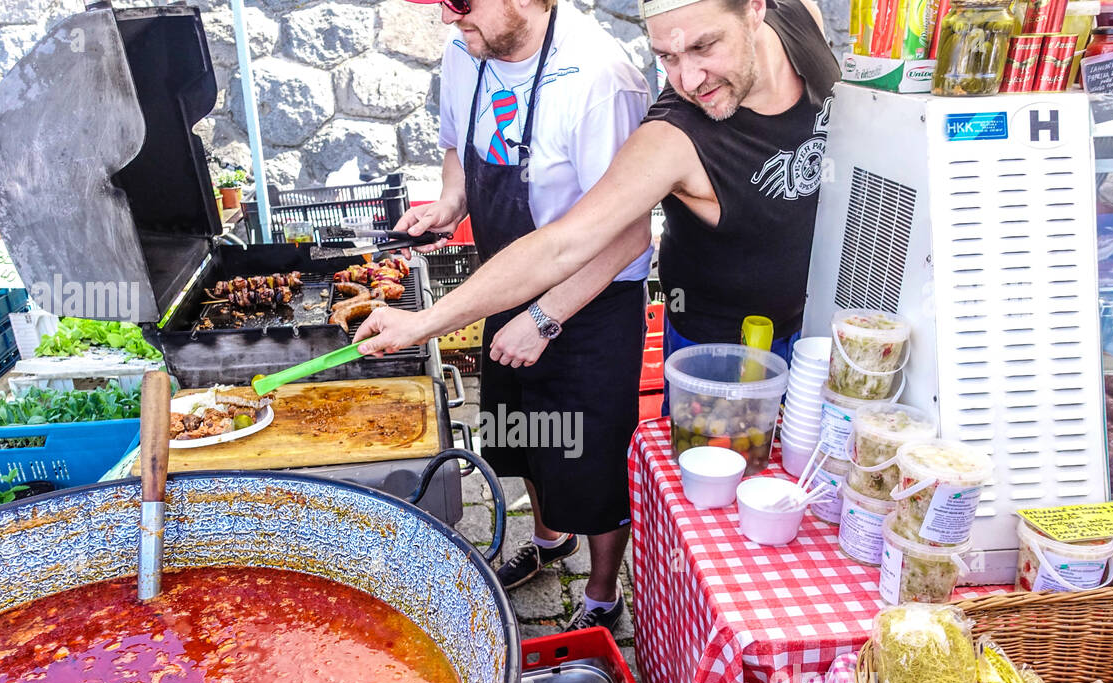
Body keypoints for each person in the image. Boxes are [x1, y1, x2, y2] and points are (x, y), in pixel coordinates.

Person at [359, 0, 839, 391]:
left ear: (757, 9)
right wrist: (425, 323)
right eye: (667, 58)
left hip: (826, 325)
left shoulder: (800, 17)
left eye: (704, 46)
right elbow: (561, 245)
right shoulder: (671, 137)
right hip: (721, 356)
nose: (689, 81)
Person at [393, 0, 655, 631]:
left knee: (587, 461)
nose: (450, 19)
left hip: (590, 301)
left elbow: (629, 234)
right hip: (506, 284)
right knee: (521, 437)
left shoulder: (599, 78)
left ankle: (599, 596)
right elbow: (459, 149)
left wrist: (545, 318)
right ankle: (548, 541)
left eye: (461, 3)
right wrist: (448, 206)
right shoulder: (467, 50)